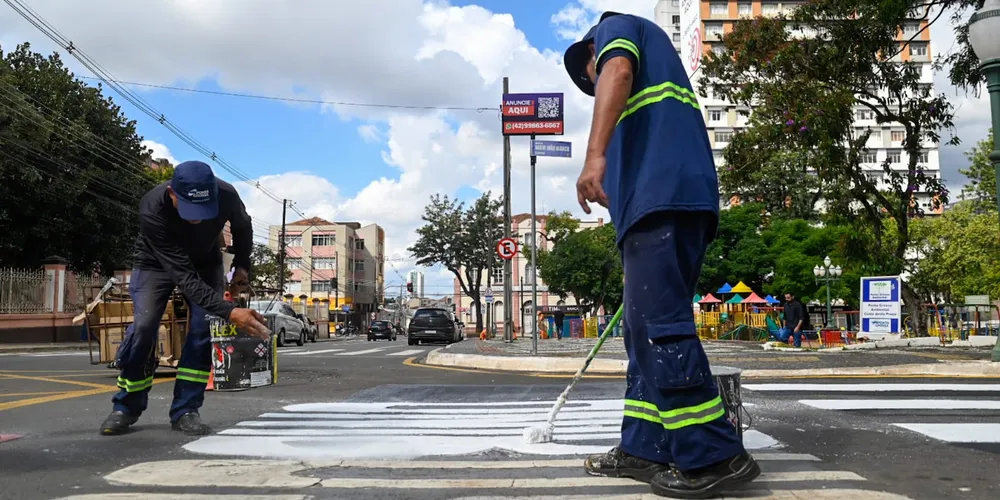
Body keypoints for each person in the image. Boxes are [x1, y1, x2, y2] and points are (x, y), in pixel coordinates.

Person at [563, 12, 759, 498]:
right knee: (642, 331)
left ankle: (715, 454)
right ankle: (646, 445)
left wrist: (594, 156)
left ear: (592, 51)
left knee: (658, 328)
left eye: (591, 74)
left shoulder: (614, 29)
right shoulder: (650, 80)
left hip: (663, 200)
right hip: (662, 205)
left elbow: (617, 69)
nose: (597, 83)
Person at [100, 160, 270, 437]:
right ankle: (126, 406)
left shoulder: (227, 194)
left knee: (202, 330)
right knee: (144, 326)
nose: (197, 219)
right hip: (156, 264)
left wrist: (242, 266)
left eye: (204, 210)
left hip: (206, 263)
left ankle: (186, 410)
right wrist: (229, 311)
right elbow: (184, 278)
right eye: (190, 209)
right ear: (172, 193)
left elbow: (243, 227)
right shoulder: (152, 206)